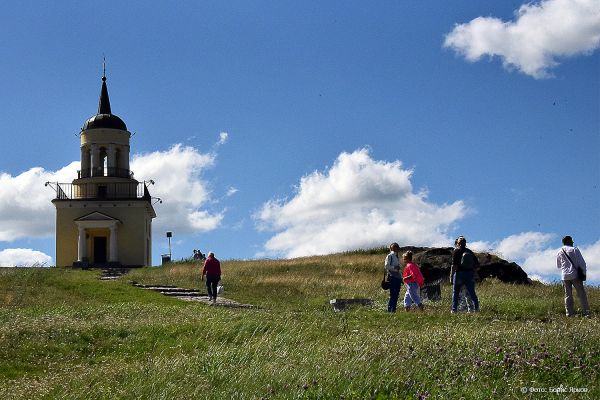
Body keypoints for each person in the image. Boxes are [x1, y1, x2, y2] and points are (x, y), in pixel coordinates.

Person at [556, 236, 590, 317]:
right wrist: (583, 274)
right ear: (568, 241)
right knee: (581, 294)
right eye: (571, 241)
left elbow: (558, 265)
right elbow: (582, 263)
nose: (572, 242)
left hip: (564, 276)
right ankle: (587, 312)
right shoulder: (574, 249)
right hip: (575, 275)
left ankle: (569, 313)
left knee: (567, 295)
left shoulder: (559, 251)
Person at [450, 236, 480, 313]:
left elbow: (454, 266)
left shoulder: (456, 251)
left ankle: (454, 310)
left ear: (458, 243)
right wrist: (474, 273)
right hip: (469, 274)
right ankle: (476, 309)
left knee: (456, 293)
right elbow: (477, 265)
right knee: (472, 293)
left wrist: (451, 276)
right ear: (465, 243)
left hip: (459, 274)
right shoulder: (469, 252)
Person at [384, 242, 403, 312]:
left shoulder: (397, 257)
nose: (396, 248)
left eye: (397, 247)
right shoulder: (390, 256)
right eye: (395, 247)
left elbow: (399, 269)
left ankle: (393, 310)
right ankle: (390, 310)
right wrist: (395, 268)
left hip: (397, 278)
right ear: (391, 248)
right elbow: (386, 266)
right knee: (393, 294)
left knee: (396, 295)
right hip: (392, 277)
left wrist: (401, 278)